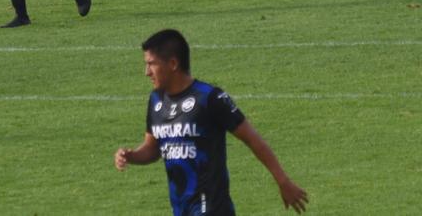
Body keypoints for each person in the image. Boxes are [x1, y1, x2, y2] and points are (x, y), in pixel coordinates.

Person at [114, 29, 309, 215]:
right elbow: (153, 147)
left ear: (173, 64)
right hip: (181, 208)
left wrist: (283, 181)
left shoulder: (209, 98)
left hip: (212, 208)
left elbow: (252, 139)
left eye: (151, 64)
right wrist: (132, 156)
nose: (146, 72)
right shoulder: (156, 101)